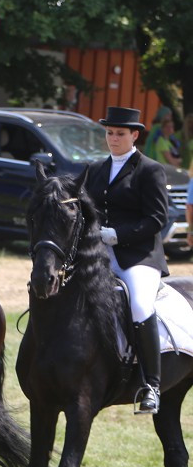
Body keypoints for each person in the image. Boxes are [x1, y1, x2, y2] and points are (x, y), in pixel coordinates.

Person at [84, 106, 168, 415]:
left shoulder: (150, 170)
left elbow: (157, 218)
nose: (113, 138)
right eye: (109, 133)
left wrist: (117, 235)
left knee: (140, 306)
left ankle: (152, 385)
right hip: (98, 253)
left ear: (134, 135)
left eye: (120, 134)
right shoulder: (95, 169)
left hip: (139, 255)